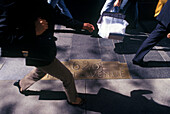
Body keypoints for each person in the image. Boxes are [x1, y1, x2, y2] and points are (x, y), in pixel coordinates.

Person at [0, 0, 94, 105]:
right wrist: (33, 32)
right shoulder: (7, 3)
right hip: (36, 50)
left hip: (45, 46)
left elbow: (53, 14)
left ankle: (22, 84)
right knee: (67, 77)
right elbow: (3, 38)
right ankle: (73, 99)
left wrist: (80, 25)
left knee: (41, 70)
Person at [132, 0, 170, 67]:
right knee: (152, 38)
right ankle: (137, 58)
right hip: (167, 20)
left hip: (165, 16)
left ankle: (137, 58)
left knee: (152, 38)